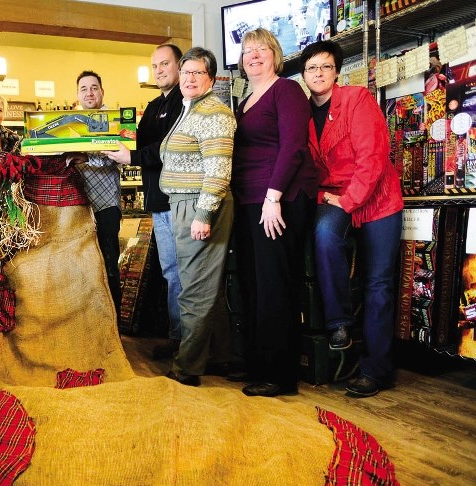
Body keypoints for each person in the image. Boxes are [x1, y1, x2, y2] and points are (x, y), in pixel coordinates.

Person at [300, 40, 404, 397]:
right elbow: (306, 169)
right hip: (334, 195)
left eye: (325, 67)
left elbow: (372, 157)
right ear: (303, 74)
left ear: (336, 72)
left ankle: (377, 370)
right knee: (324, 237)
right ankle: (339, 324)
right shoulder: (303, 112)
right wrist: (323, 198)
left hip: (376, 199)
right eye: (312, 67)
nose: (318, 73)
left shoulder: (357, 98)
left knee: (378, 285)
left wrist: (348, 201)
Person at [230, 28, 317, 397]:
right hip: (248, 200)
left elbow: (294, 146)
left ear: (275, 55)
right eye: (248, 50)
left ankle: (279, 374)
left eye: (262, 49)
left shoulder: (287, 90)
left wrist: (273, 196)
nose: (254, 55)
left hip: (276, 199)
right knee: (250, 281)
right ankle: (256, 363)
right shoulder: (245, 99)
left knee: (274, 284)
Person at [159, 46, 236, 387]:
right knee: (206, 286)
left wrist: (203, 214)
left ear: (210, 78)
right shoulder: (190, 109)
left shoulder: (215, 113)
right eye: (186, 71)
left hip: (199, 206)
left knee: (194, 289)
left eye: (197, 73)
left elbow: (219, 170)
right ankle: (224, 358)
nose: (189, 78)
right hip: (184, 204)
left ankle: (186, 368)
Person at [104, 44, 185, 361]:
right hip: (158, 203)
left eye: (165, 64)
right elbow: (133, 140)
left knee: (181, 274)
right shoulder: (153, 106)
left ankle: (186, 344)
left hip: (179, 202)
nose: (160, 70)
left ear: (179, 65)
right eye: (155, 66)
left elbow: (168, 149)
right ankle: (177, 338)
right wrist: (105, 131)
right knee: (170, 273)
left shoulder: (185, 101)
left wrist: (133, 156)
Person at [74, 71, 123, 314]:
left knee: (109, 263)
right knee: (83, 264)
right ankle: (91, 318)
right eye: (84, 89)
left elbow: (114, 158)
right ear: (77, 94)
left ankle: (113, 321)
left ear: (102, 91)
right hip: (78, 207)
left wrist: (83, 158)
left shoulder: (113, 120)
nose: (89, 93)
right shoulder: (72, 123)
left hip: (106, 206)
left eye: (94, 88)